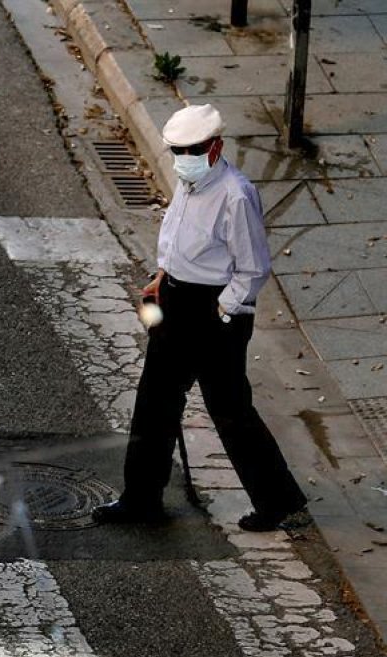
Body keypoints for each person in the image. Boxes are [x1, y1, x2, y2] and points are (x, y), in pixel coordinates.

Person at [92, 103, 308, 532]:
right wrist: (162, 277)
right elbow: (177, 235)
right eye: (176, 149)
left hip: (213, 313)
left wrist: (221, 310)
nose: (182, 158)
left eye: (191, 149)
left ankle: (278, 500)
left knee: (229, 410)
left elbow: (252, 268)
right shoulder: (191, 182)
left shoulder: (235, 194)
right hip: (176, 299)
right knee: (154, 402)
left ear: (215, 147)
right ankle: (141, 500)